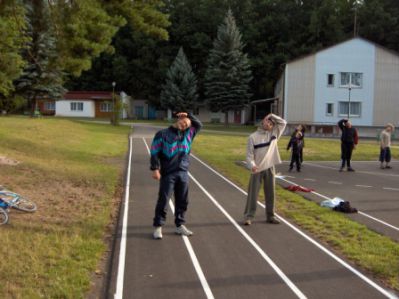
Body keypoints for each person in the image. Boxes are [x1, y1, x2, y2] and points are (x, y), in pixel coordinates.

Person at [150, 112, 202, 239]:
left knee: (183, 201)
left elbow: (198, 124)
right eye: (183, 121)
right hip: (168, 173)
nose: (184, 125)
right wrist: (155, 169)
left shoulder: (190, 133)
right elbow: (154, 152)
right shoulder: (162, 134)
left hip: (183, 172)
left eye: (187, 124)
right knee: (163, 200)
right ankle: (158, 227)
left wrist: (189, 114)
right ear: (179, 118)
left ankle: (180, 226)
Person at [244, 113, 287, 225]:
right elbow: (249, 156)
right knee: (253, 194)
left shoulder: (274, 134)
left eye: (271, 123)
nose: (269, 124)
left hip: (269, 167)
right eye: (267, 121)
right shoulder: (252, 137)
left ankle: (270, 216)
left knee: (270, 193)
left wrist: (272, 115)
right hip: (257, 169)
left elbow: (283, 123)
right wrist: (252, 165)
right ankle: (249, 216)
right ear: (263, 121)